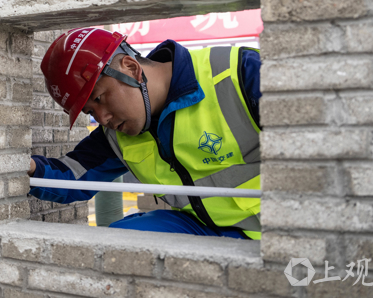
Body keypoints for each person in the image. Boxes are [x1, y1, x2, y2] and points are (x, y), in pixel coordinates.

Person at [28, 27, 262, 239]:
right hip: (201, 226)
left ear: (130, 68)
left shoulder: (240, 76)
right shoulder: (117, 134)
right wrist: (21, 167)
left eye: (99, 98)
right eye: (90, 111)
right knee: (121, 243)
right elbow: (72, 177)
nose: (102, 118)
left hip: (276, 232)